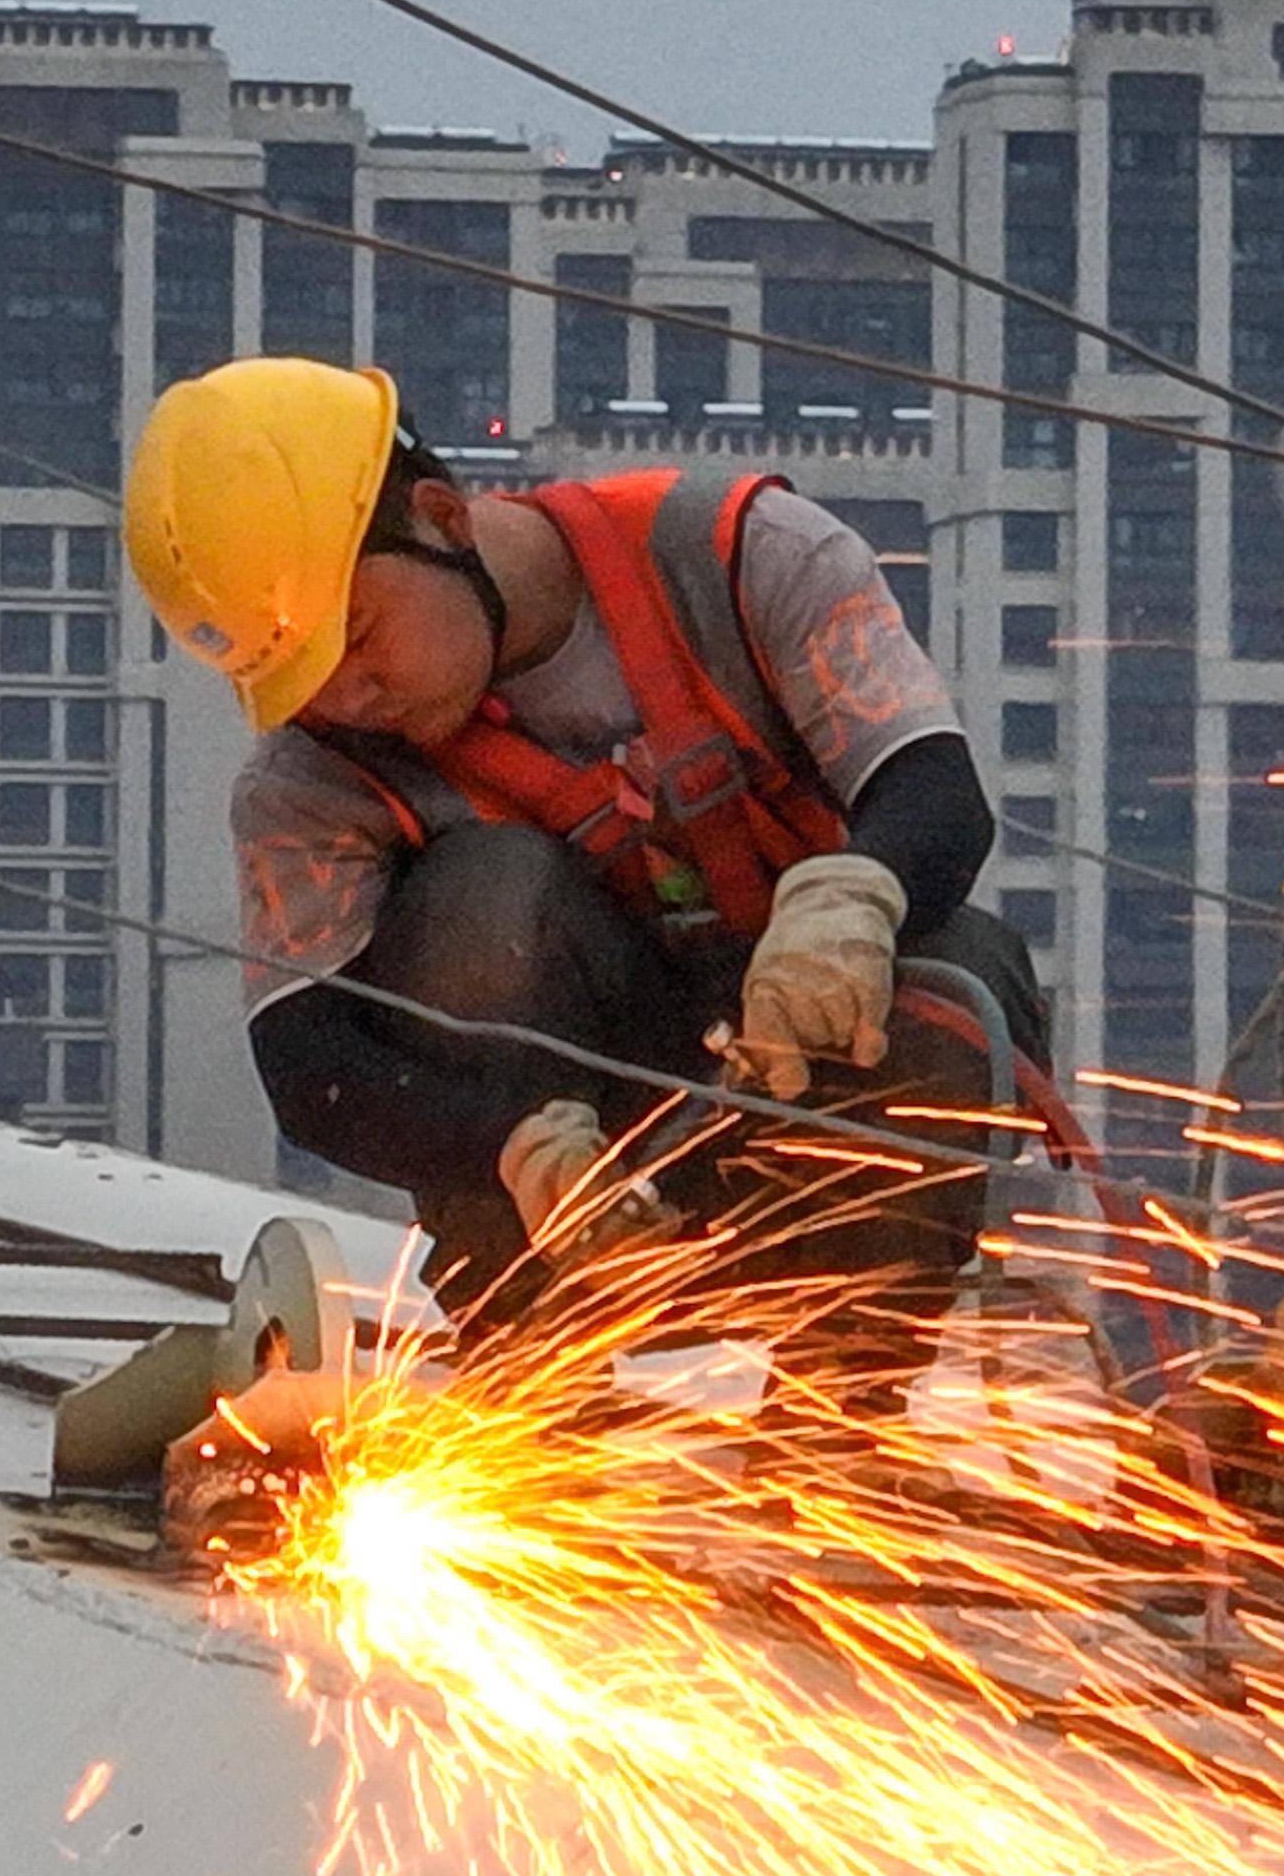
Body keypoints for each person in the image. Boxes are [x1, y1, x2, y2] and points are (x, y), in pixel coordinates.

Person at [123, 352, 1041, 1406]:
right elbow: (308, 1062)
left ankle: (837, 1434)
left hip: (814, 1089)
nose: (352, 697)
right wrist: (507, 1144)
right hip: (565, 1176)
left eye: (362, 638)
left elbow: (931, 787)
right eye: (306, 681)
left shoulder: (739, 555)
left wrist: (856, 898)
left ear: (443, 517)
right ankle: (537, 1398)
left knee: (953, 976)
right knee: (484, 904)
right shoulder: (312, 781)